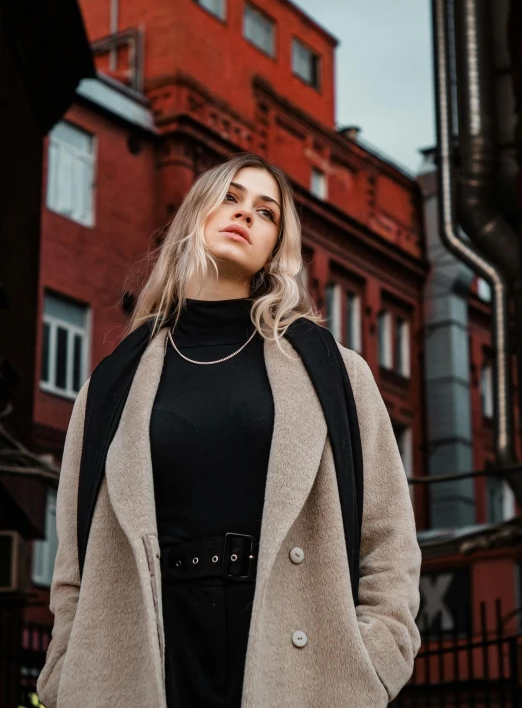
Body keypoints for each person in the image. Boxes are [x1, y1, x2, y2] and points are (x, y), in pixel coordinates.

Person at [36, 152, 422, 708]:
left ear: (275, 247)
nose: (245, 214)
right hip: (146, 661)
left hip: (295, 662)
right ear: (194, 214)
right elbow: (73, 562)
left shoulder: (333, 370)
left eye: (266, 212)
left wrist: (371, 667)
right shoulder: (112, 384)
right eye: (231, 198)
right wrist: (64, 674)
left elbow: (389, 539)